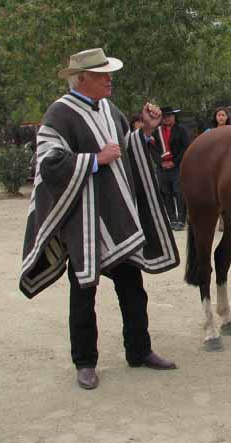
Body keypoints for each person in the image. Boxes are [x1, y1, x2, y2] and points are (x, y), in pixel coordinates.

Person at [20, 48, 180, 390]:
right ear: (81, 79)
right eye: (102, 74)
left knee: (133, 289)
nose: (109, 79)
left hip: (116, 217)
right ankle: (85, 363)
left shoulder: (109, 109)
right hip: (83, 222)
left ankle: (139, 351)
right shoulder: (59, 113)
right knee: (83, 293)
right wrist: (95, 159)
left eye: (109, 73)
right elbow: (47, 164)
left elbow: (125, 148)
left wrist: (146, 132)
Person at [154, 106, 190, 230]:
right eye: (164, 116)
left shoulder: (181, 130)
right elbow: (152, 149)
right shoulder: (156, 131)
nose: (167, 118)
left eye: (169, 116)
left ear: (174, 117)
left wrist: (174, 162)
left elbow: (186, 147)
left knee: (179, 192)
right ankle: (172, 219)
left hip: (177, 166)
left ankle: (181, 219)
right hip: (162, 168)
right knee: (166, 193)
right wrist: (160, 162)